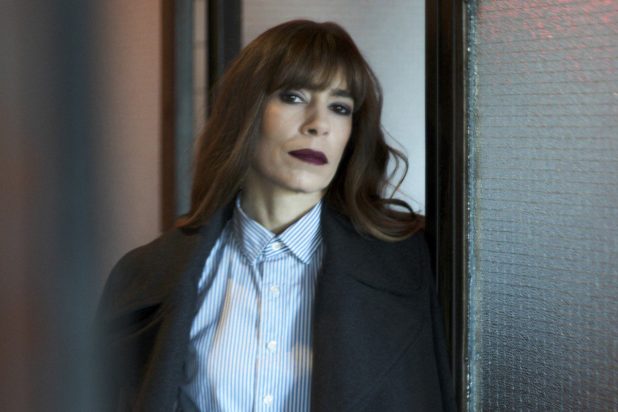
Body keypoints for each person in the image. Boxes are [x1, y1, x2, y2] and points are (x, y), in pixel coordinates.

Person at [97, 19, 455, 412]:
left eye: (339, 107)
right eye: (294, 97)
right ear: (245, 111)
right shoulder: (144, 275)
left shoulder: (414, 266)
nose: (318, 125)